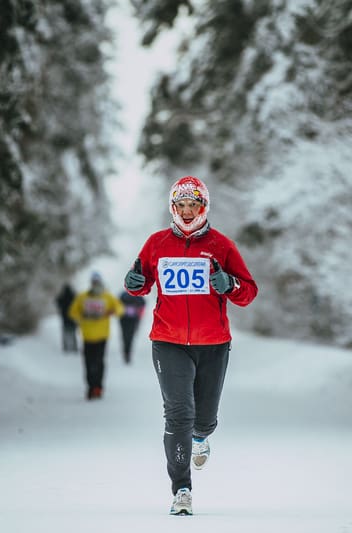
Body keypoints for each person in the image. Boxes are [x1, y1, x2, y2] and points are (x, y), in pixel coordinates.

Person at [123, 176, 257, 516]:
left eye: (192, 205)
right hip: (168, 342)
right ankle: (181, 490)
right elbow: (141, 281)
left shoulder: (223, 246)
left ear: (203, 207)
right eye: (180, 205)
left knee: (204, 419)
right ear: (172, 207)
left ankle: (201, 438)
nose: (186, 212)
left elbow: (248, 292)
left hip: (213, 344)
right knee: (179, 413)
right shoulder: (156, 244)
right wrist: (133, 283)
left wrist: (229, 284)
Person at [68, 272, 124, 400]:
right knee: (88, 363)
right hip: (87, 336)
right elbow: (72, 312)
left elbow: (120, 309)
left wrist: (112, 311)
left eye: (98, 282)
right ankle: (90, 387)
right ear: (91, 283)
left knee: (99, 362)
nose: (96, 285)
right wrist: (82, 315)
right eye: (94, 282)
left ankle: (98, 387)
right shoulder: (82, 297)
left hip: (102, 336)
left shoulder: (107, 296)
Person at [117, 291, 146, 364]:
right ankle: (126, 352)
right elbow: (117, 305)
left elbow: (142, 306)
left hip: (133, 320)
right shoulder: (123, 295)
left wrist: (139, 316)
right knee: (126, 336)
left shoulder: (138, 296)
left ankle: (127, 352)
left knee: (129, 336)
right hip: (124, 320)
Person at [55, 283, 78, 353]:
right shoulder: (73, 296)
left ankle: (65, 347)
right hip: (73, 319)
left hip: (65, 318)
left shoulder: (62, 296)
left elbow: (57, 302)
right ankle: (74, 347)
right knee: (73, 334)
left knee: (65, 333)